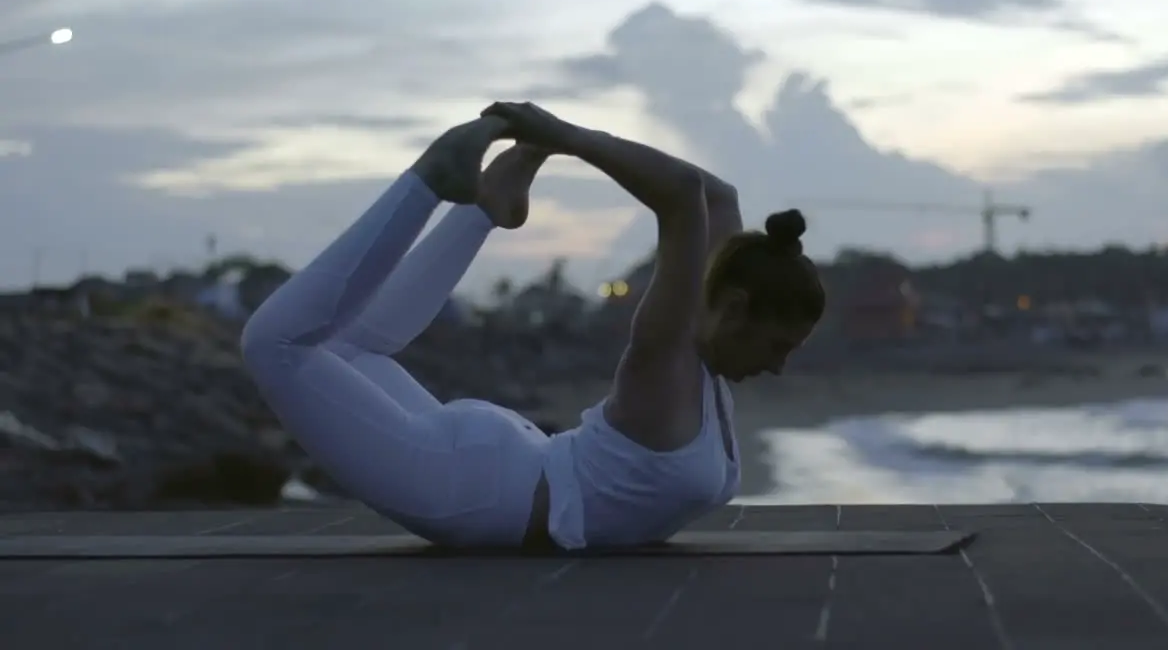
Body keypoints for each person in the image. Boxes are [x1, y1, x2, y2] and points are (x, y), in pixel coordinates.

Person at [240, 102, 826, 551]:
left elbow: (717, 198)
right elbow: (683, 197)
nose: (779, 364)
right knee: (276, 345)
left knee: (352, 348)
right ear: (736, 309)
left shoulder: (704, 357)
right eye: (778, 345)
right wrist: (560, 136)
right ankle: (427, 182)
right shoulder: (667, 359)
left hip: (508, 466)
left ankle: (482, 207)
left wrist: (555, 139)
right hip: (469, 493)